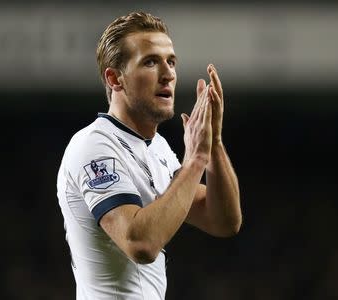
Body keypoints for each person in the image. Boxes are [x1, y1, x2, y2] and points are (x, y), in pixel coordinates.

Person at [56, 11, 242, 300]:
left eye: (171, 61)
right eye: (151, 62)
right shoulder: (94, 146)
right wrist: (195, 161)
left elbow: (224, 221)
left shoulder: (158, 149)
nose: (167, 74)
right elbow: (140, 243)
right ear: (115, 78)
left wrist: (214, 144)